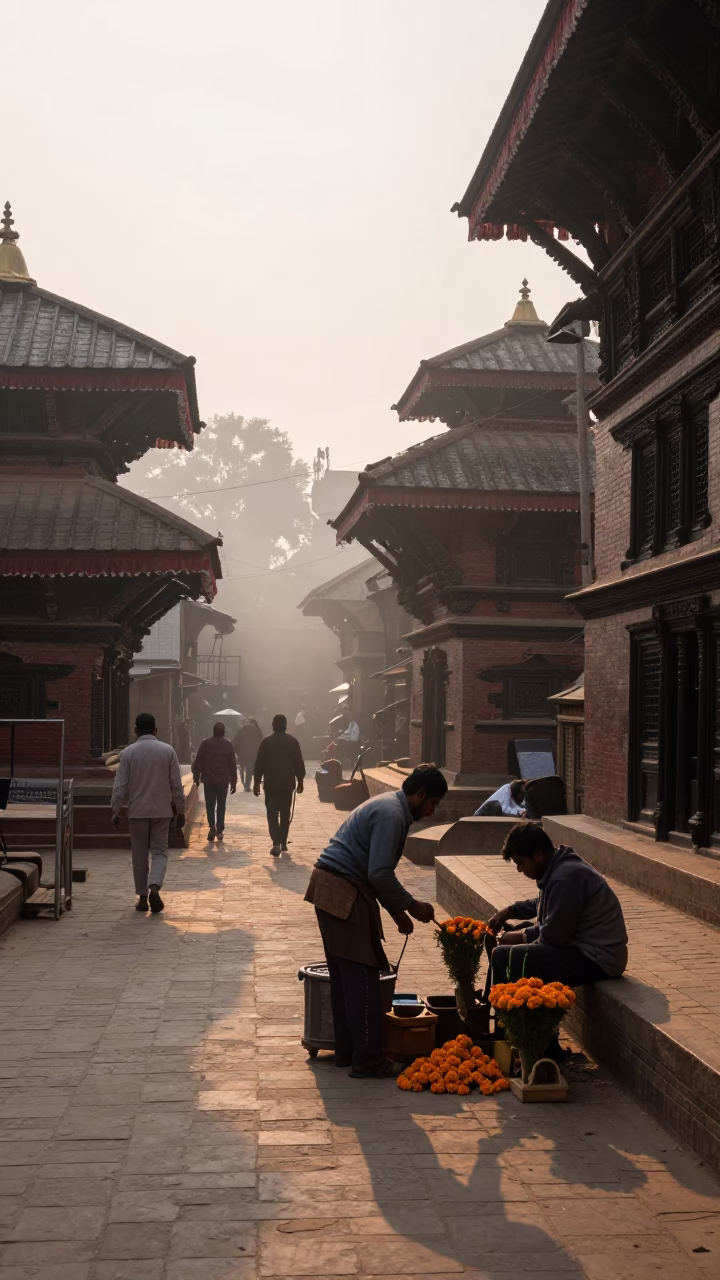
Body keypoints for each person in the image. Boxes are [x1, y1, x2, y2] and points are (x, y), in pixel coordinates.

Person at [305, 763, 448, 1079]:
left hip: (330, 887)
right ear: (420, 794)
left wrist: (397, 912)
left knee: (345, 977)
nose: (432, 811)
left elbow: (376, 872)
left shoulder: (389, 806)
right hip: (342, 889)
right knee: (364, 976)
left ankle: (347, 1051)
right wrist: (412, 906)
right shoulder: (392, 815)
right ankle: (368, 1059)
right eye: (432, 803)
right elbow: (378, 873)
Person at [488, 822, 628, 990]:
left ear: (538, 855)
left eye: (521, 863)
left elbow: (553, 937)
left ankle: (502, 1011)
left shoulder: (565, 877)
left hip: (598, 959)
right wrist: (510, 912)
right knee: (512, 939)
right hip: (576, 946)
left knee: (506, 955)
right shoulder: (557, 867)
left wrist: (521, 938)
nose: (519, 870)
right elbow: (542, 904)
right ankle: (492, 1005)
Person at [111, 711, 185, 914]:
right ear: (156, 730)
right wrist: (180, 810)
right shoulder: (167, 751)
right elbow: (176, 785)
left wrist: (115, 810)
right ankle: (154, 886)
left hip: (137, 811)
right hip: (162, 810)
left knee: (140, 855)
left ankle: (143, 897)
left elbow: (120, 786)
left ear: (135, 731)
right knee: (159, 852)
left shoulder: (128, 753)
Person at [253, 714, 305, 855]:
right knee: (285, 814)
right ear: (286, 725)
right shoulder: (293, 741)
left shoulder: (266, 742)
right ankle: (283, 841)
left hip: (271, 785)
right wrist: (300, 781)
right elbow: (299, 764)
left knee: (272, 815)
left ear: (273, 725)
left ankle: (276, 843)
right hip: (287, 785)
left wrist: (257, 783)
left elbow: (259, 764)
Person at [192, 721, 238, 842]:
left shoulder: (205, 743)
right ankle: (219, 829)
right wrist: (234, 782)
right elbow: (232, 765)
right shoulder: (228, 745)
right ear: (223, 732)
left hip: (208, 779)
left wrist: (196, 777)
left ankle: (212, 825)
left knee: (210, 805)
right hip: (223, 780)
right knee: (221, 805)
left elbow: (198, 762)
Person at [233, 717, 263, 791]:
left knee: (242, 768)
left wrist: (237, 752)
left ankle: (243, 781)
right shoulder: (257, 730)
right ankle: (247, 785)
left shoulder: (241, 730)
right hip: (253, 753)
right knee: (249, 769)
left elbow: (235, 741)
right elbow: (260, 741)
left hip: (242, 753)